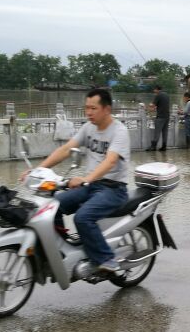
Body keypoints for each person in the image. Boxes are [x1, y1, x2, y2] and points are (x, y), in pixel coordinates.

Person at [20, 88, 131, 275]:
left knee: (83, 217)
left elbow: (110, 161)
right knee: (51, 206)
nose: (88, 112)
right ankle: (62, 252)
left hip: (113, 189)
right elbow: (65, 150)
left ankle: (106, 259)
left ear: (107, 109)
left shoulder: (119, 131)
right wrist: (39, 169)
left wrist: (86, 179)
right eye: (86, 108)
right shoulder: (88, 128)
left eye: (93, 108)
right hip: (92, 186)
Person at [148, 85, 170, 151]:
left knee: (157, 132)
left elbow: (153, 105)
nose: (153, 91)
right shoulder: (166, 95)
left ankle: (153, 147)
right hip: (167, 116)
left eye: (154, 90)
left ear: (157, 89)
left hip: (160, 117)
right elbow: (161, 105)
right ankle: (164, 146)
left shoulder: (158, 95)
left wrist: (149, 105)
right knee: (165, 132)